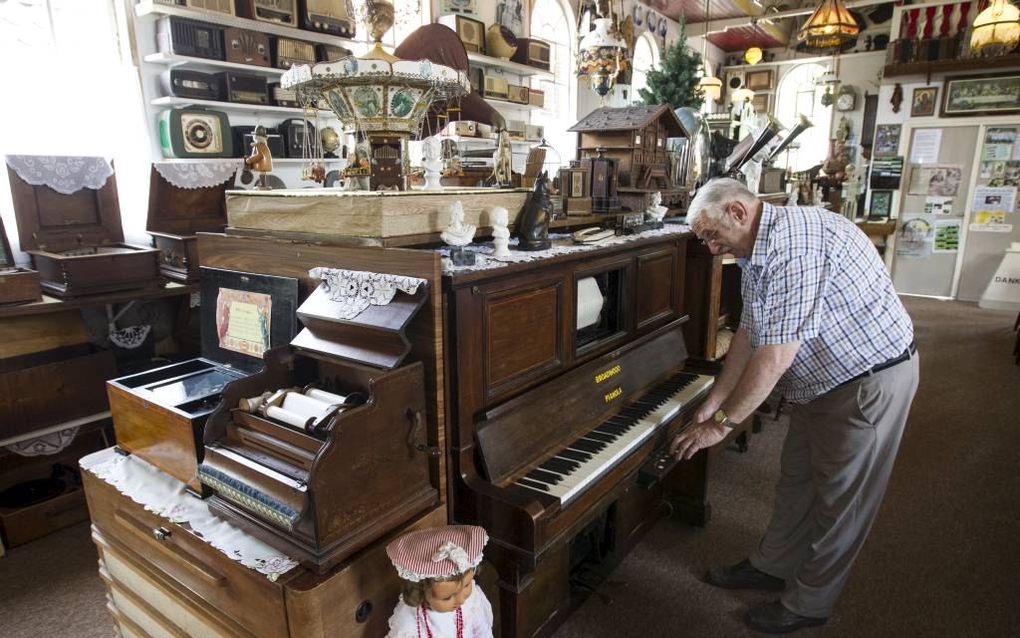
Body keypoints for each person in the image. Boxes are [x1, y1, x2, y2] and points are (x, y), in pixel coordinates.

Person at [670, 177, 919, 634]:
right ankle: (773, 565)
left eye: (710, 235)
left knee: (843, 500)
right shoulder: (753, 247)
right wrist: (715, 400)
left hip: (867, 381)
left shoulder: (794, 248)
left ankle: (809, 603)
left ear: (739, 213)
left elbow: (774, 356)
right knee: (797, 479)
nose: (709, 248)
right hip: (819, 383)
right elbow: (750, 331)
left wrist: (720, 426)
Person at [385, 525, 494, 638]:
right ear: (421, 591)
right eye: (447, 598)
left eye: (467, 585)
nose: (461, 600)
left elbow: (482, 630)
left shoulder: (473, 601)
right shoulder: (409, 619)